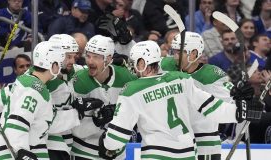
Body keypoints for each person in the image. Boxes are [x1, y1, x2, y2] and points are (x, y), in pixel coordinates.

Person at [98, 40, 263, 160]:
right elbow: (211, 107)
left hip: (157, 155)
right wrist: (239, 112)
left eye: (135, 63)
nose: (133, 68)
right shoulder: (181, 79)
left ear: (142, 63)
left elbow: (116, 139)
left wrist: (107, 143)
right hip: (188, 154)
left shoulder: (131, 90)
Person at [0, 41, 66, 160]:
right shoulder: (34, 89)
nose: (61, 67)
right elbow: (17, 121)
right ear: (53, 64)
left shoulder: (25, 81)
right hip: (19, 153)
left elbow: (1, 97)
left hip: (19, 151)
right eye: (59, 63)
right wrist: (21, 151)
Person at [161, 31, 235, 160]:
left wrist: (244, 99)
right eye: (174, 52)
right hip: (173, 140)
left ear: (194, 54)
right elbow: (140, 70)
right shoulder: (166, 66)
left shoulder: (212, 75)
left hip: (205, 142)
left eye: (180, 52)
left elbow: (233, 104)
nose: (175, 57)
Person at [70, 35, 137, 159]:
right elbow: (75, 128)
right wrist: (96, 121)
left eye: (96, 57)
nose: (90, 61)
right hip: (84, 150)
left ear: (109, 59)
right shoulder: (80, 81)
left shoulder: (126, 77)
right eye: (88, 56)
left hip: (116, 151)